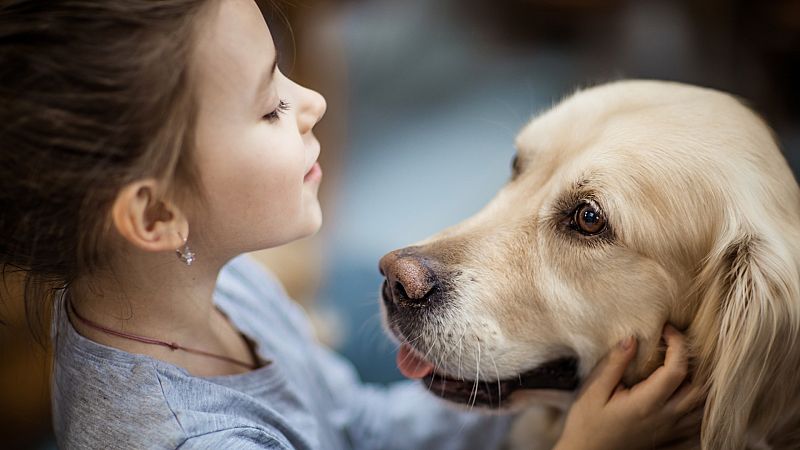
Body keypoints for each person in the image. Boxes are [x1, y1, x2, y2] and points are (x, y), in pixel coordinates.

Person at [0, 0, 702, 448]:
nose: (311, 103)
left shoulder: (209, 283)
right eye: (268, 107)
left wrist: (525, 409)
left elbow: (350, 425)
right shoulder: (191, 439)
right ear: (156, 215)